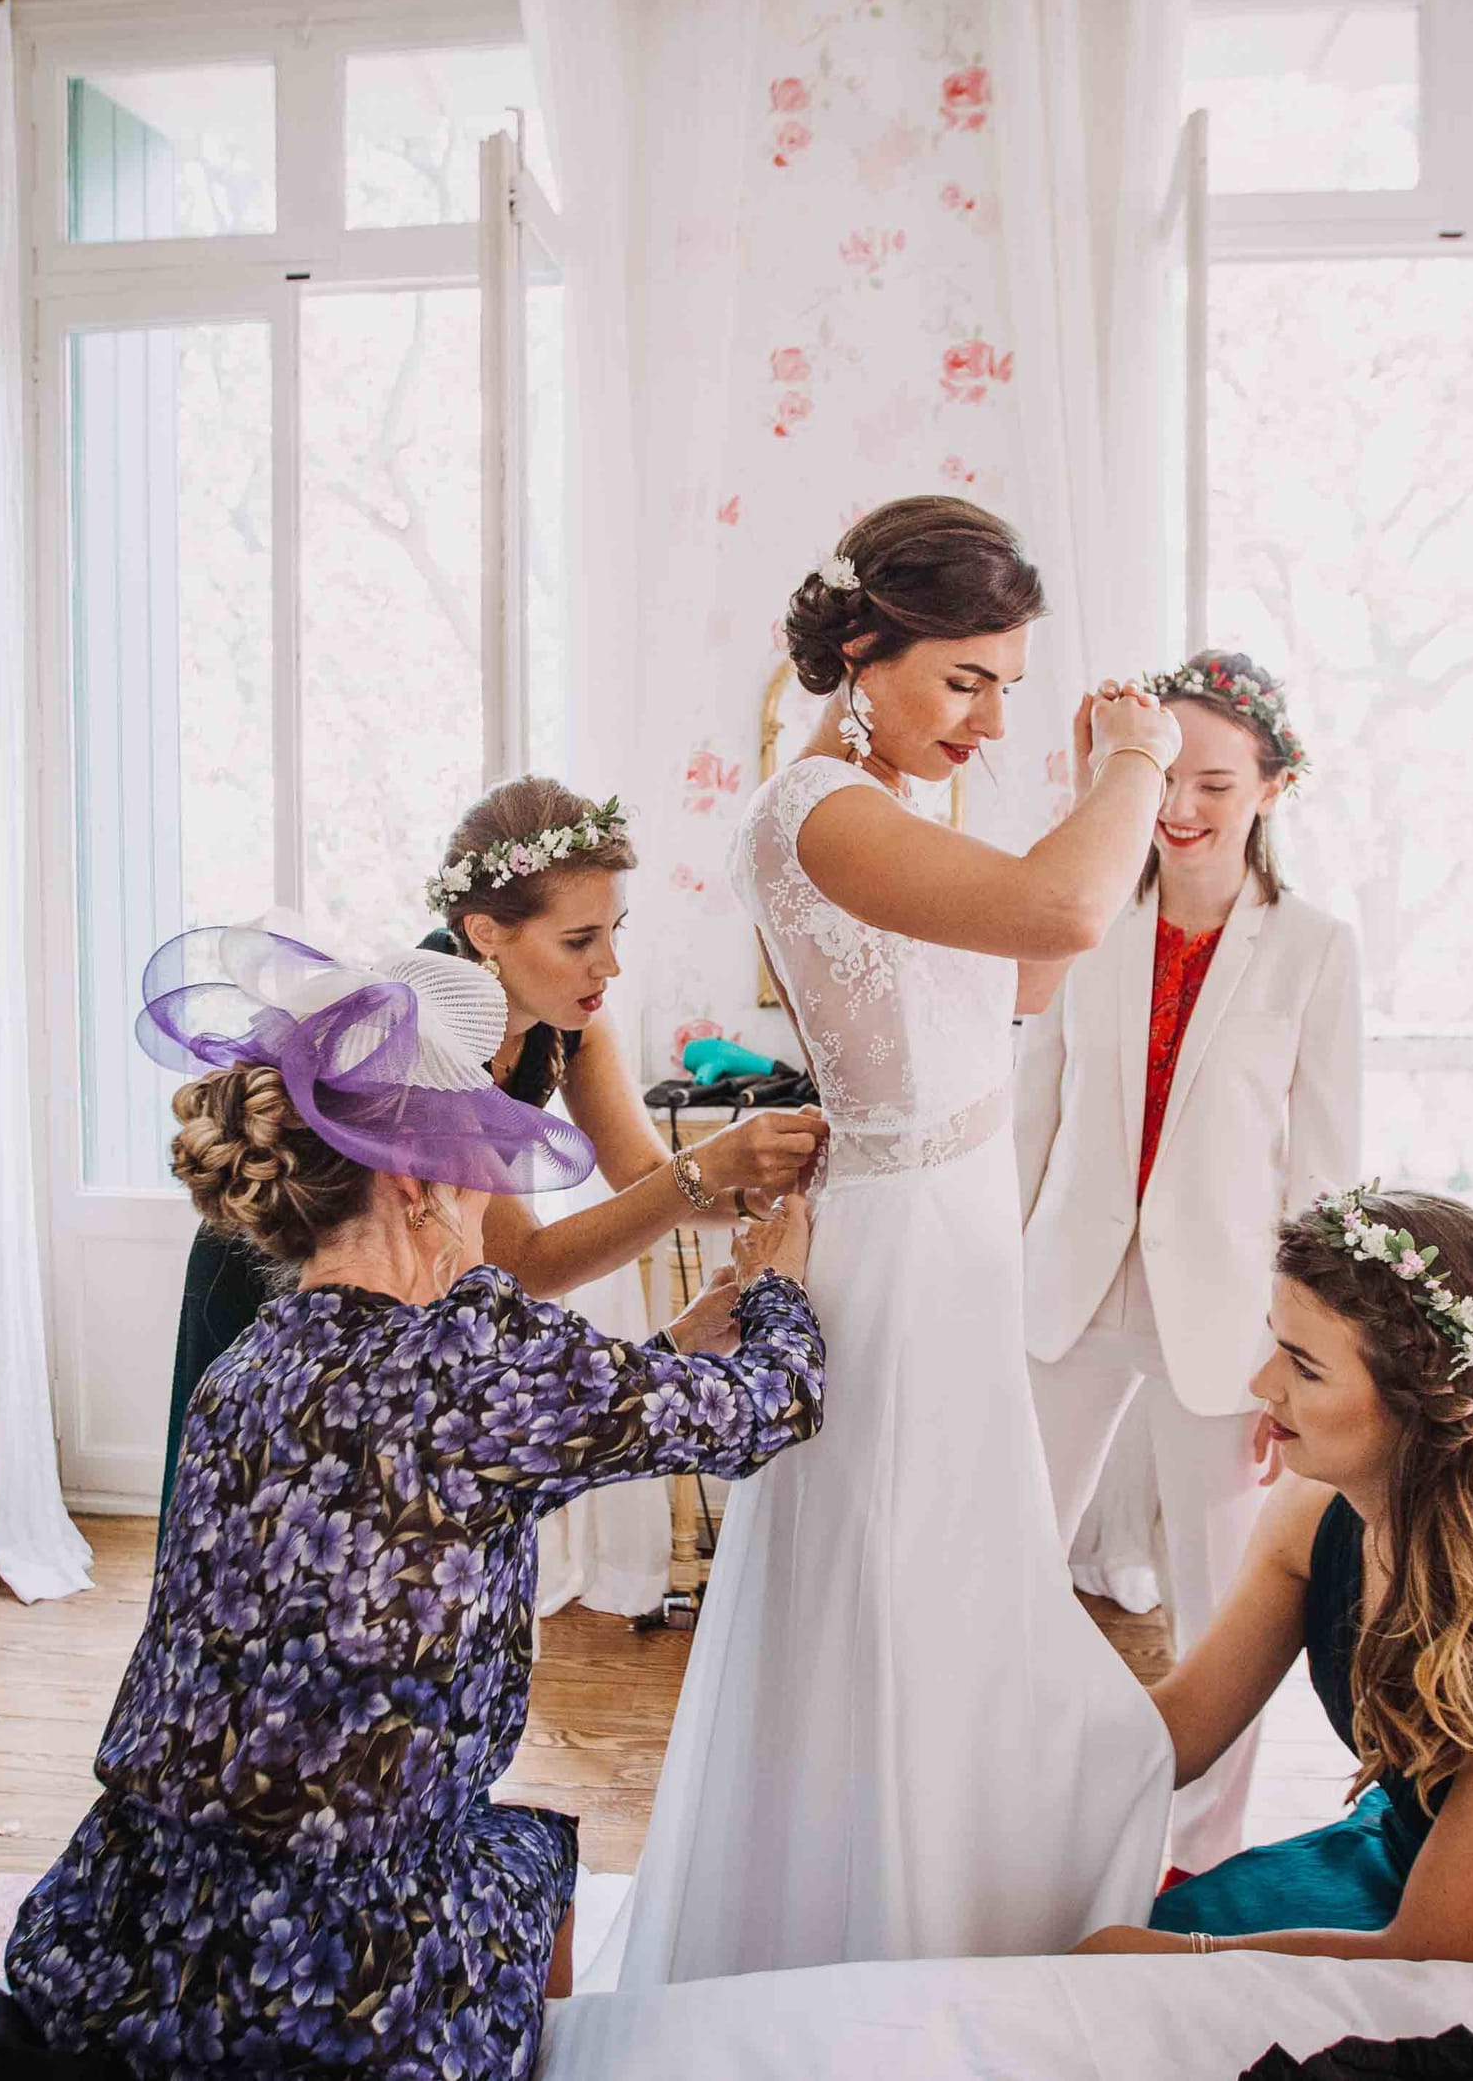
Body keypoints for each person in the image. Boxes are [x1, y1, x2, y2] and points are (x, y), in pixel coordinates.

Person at [7, 929, 825, 2077]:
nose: (491, 1196)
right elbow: (771, 1405)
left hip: (123, 1942)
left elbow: (443, 1483)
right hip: (338, 1989)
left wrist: (667, 1349)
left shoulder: (248, 1364)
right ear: (413, 1183)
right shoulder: (478, 1355)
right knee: (532, 1852)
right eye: (477, 1164)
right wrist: (782, 1282)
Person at [607, 497, 1182, 1984]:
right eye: (964, 679)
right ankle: (864, 1938)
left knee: (956, 1576)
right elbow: (1067, 905)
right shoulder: (816, 812)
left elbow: (1036, 977)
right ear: (863, 649)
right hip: (902, 1247)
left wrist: (1070, 785)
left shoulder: (906, 806)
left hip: (960, 1218)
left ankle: (933, 1900)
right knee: (898, 1580)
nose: (987, 717)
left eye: (1007, 683)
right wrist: (1134, 763)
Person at [1077, 1185, 1473, 1978]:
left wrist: (1185, 1957)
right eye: (1276, 1344)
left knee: (1132, 1973)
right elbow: (1177, 1734)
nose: (1262, 1386)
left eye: (1306, 1370)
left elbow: (1443, 1950)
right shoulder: (1312, 1508)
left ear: (1416, 1408)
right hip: (1400, 1876)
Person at [158, 775, 825, 1515]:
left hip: (413, 1274)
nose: (609, 964)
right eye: (579, 940)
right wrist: (708, 1175)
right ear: (484, 933)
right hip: (281, 1264)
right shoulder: (421, 1037)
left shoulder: (572, 1020)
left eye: (615, 931)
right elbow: (525, 1263)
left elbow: (645, 1179)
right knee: (271, 1503)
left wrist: (777, 1182)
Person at [1016, 650, 1361, 1874]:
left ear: (1271, 786)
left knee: (1221, 1607)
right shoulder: (1084, 918)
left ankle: (1193, 1857)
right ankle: (1012, 1798)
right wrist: (985, 1276)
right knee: (1006, 1554)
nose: (1179, 806)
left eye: (1215, 781)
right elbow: (1031, 1114)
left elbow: (1322, 1177)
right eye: (1167, 774)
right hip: (1065, 1288)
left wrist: (1305, 1360)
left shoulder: (1314, 949)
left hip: (1226, 1323)